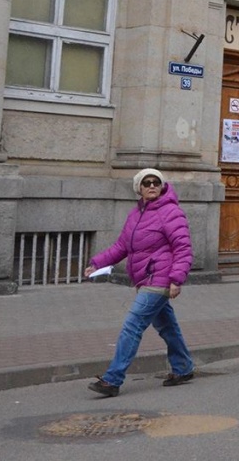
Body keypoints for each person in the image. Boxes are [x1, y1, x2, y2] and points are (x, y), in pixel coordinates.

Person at [85, 168, 195, 397]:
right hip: (144, 279)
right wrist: (97, 263)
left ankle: (112, 380)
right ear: (139, 188)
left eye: (156, 182)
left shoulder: (171, 212)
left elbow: (183, 248)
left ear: (162, 186)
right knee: (167, 326)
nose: (152, 186)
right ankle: (183, 368)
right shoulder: (136, 214)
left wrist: (176, 279)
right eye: (147, 183)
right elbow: (122, 247)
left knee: (132, 325)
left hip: (159, 279)